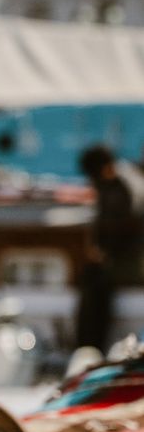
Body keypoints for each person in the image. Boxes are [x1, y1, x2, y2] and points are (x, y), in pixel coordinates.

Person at [75, 144, 144, 352]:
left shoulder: (118, 189)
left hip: (133, 264)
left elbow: (117, 229)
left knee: (94, 283)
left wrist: (102, 254)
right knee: (93, 277)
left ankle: (89, 347)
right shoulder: (129, 180)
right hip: (129, 261)